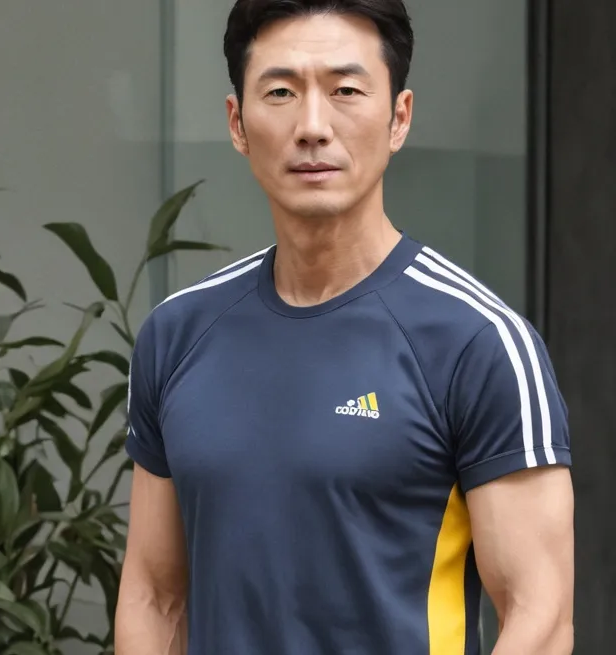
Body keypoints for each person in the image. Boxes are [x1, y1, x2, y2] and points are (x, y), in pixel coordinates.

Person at [114, 1, 575, 653]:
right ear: (237, 123)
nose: (312, 127)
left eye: (346, 91)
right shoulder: (177, 334)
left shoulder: (479, 343)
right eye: (280, 92)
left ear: (399, 118)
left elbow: (540, 616)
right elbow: (154, 595)